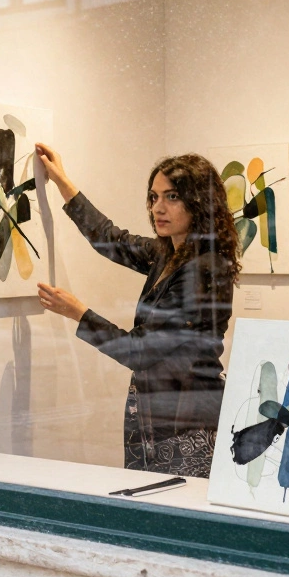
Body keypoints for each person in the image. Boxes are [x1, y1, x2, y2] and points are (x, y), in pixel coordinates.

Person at [34, 144, 238, 478]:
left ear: (199, 204)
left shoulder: (202, 270)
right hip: (157, 412)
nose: (159, 208)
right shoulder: (169, 253)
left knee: (178, 518)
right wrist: (62, 181)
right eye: (153, 197)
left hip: (187, 420)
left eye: (172, 197)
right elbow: (111, 239)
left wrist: (78, 312)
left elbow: (139, 351)